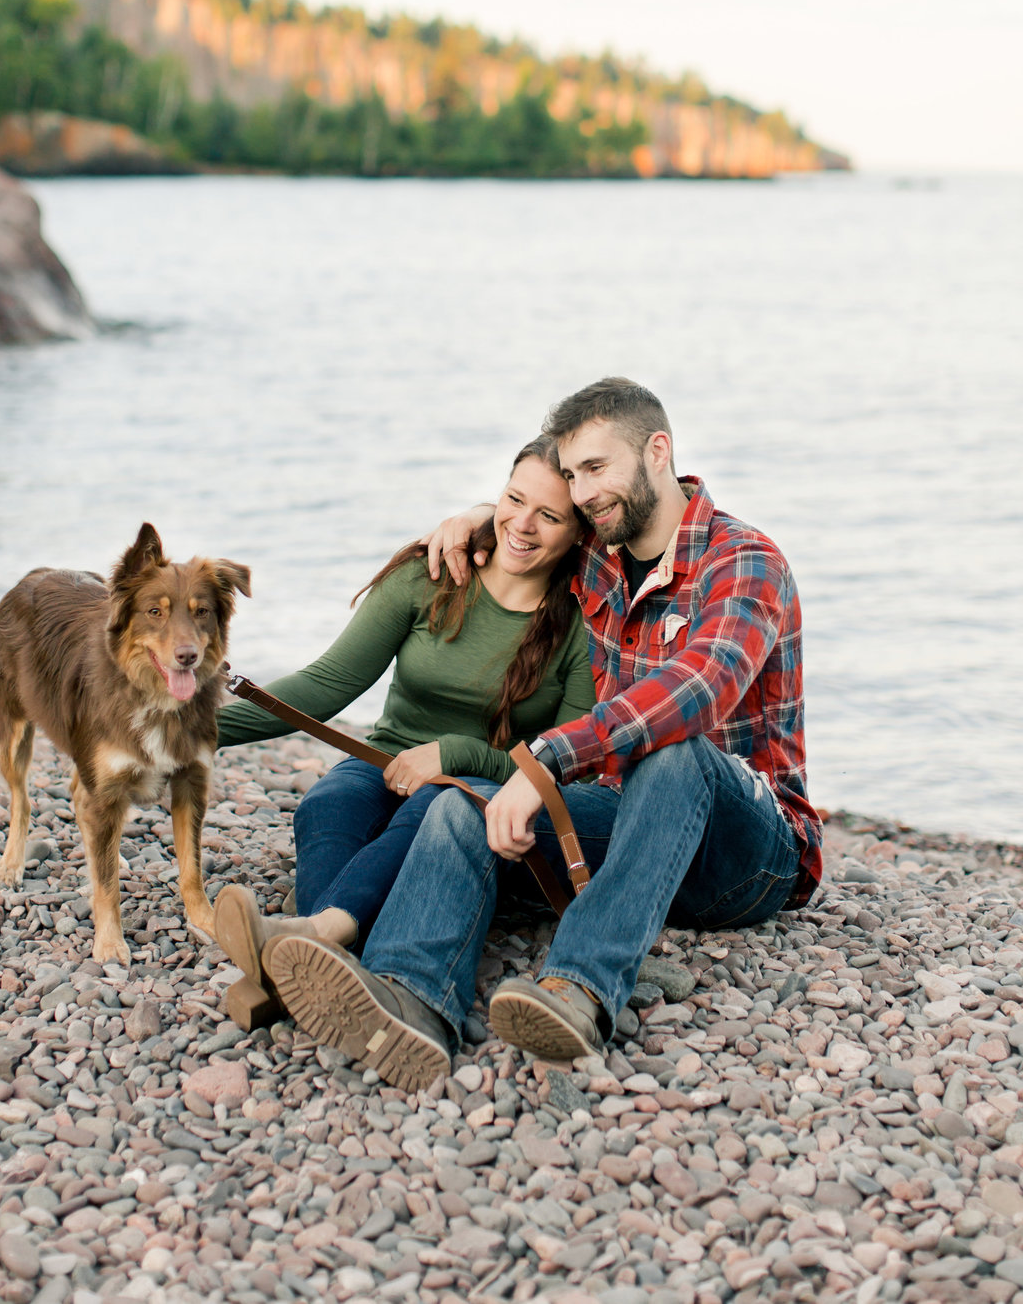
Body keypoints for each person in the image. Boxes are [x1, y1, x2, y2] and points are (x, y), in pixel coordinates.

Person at [262, 377, 824, 1091]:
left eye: (596, 469)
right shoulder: (597, 554)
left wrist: (543, 762)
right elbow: (528, 527)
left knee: (674, 749)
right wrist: (473, 517)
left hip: (745, 853)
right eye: (573, 474)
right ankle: (409, 996)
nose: (583, 491)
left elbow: (698, 689)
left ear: (658, 451)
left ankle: (581, 989)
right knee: (461, 800)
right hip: (625, 836)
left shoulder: (743, 561)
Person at [211, 436, 596, 1028]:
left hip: (480, 791)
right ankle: (314, 962)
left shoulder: (577, 625)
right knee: (326, 804)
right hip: (382, 758)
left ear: (577, 532)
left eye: (549, 515)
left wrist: (455, 753)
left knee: (430, 815)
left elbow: (561, 762)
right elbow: (326, 684)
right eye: (513, 500)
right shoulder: (434, 573)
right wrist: (196, 731)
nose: (522, 524)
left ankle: (310, 939)